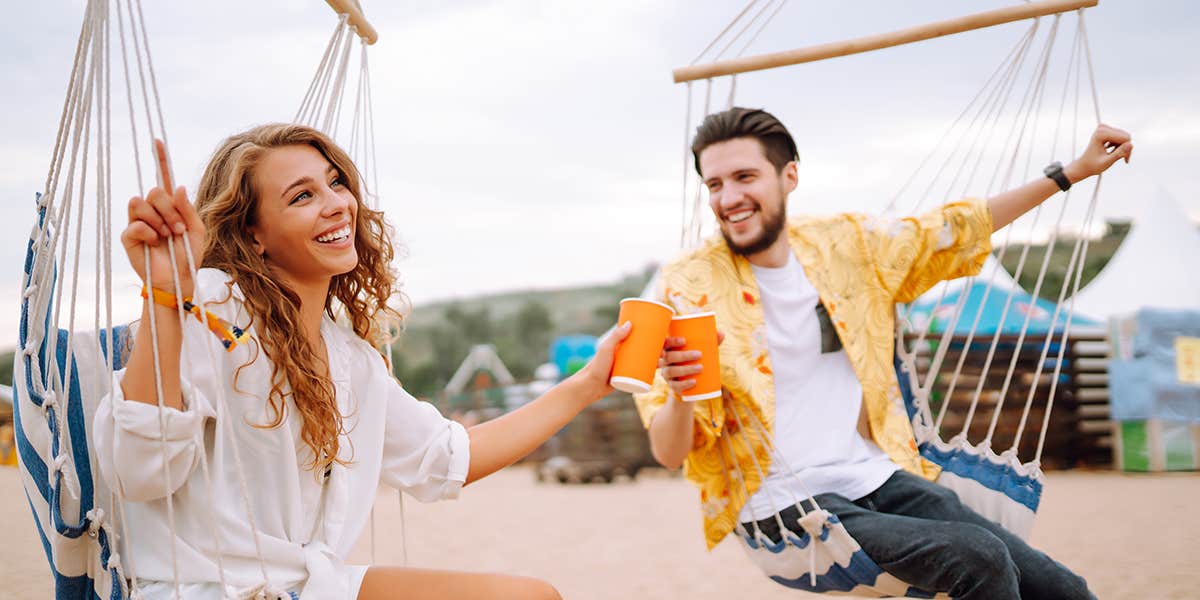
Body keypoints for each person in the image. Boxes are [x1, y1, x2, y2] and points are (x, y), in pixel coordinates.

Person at [94, 123, 631, 600]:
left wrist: (589, 382)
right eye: (302, 196)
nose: (336, 203)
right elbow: (137, 472)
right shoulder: (209, 305)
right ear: (252, 234)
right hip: (209, 585)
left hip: (308, 583)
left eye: (335, 182)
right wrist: (165, 298)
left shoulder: (349, 356)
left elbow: (446, 458)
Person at [638, 107, 1132, 599]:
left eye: (744, 177)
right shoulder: (683, 288)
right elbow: (667, 450)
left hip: (874, 474)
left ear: (789, 176)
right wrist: (683, 393)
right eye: (715, 184)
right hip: (785, 511)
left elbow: (951, 229)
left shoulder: (844, 247)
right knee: (978, 559)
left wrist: (1070, 173)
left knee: (1063, 589)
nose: (729, 198)